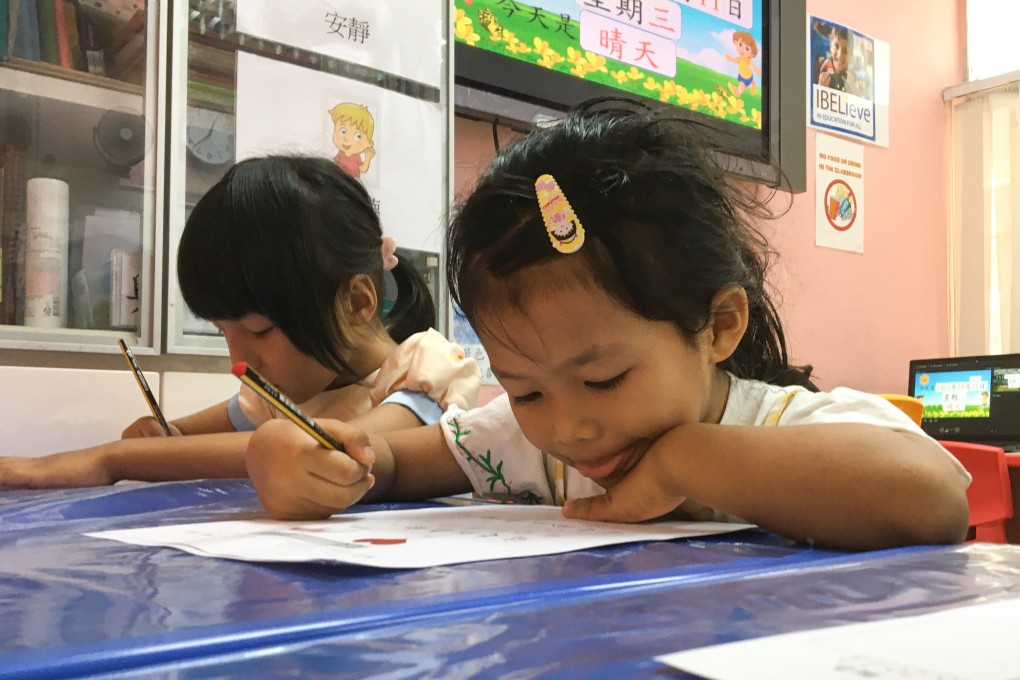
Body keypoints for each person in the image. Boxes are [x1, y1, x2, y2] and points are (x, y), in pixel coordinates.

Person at [245, 100, 971, 551]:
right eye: (524, 390)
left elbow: (934, 496)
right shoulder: (528, 446)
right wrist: (299, 458)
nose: (568, 428)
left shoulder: (785, 426)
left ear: (717, 325)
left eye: (603, 378)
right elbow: (396, 464)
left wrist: (688, 460)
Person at [0, 155, 480, 489]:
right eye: (223, 332)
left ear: (357, 303)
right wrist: (161, 436)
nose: (239, 359)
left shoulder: (423, 376)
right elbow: (184, 437)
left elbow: (320, 449)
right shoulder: (280, 394)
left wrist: (111, 459)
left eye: (258, 331)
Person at [329, 102, 376, 179]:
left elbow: (363, 169)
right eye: (343, 131)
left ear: (369, 143)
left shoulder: (356, 157)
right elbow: (335, 162)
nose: (347, 139)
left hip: (351, 182)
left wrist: (368, 158)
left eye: (358, 136)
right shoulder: (341, 153)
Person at [726, 30, 761, 96]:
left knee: (742, 85)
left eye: (747, 49)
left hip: (747, 77)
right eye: (740, 44)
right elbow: (734, 59)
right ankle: (752, 84)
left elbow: (752, 64)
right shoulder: (740, 59)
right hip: (742, 75)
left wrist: (756, 69)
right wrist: (730, 58)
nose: (742, 50)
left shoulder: (746, 60)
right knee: (743, 83)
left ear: (751, 54)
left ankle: (737, 91)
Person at [818, 26, 850, 91]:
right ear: (830, 45)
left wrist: (853, 88)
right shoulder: (819, 70)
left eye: (845, 51)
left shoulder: (852, 78)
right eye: (836, 46)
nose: (840, 55)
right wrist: (820, 88)